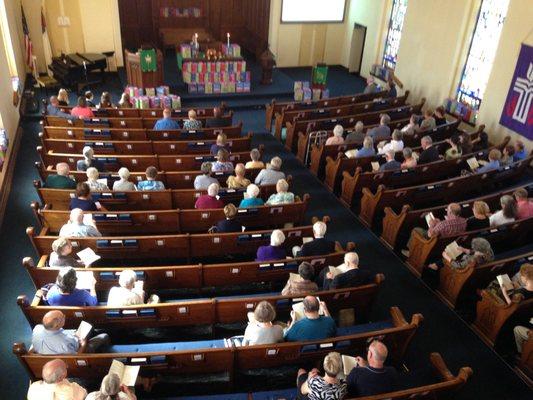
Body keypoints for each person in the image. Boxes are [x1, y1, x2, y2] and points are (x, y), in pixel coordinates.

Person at [424, 238, 494, 288]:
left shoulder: (472, 260)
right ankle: (435, 265)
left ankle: (433, 269)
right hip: (468, 270)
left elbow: (458, 266)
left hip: (459, 272)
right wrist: (464, 250)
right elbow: (474, 252)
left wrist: (447, 257)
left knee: (445, 259)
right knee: (451, 257)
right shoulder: (487, 255)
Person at [402, 203, 466, 257]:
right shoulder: (464, 221)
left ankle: (410, 252)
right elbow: (451, 227)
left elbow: (430, 235)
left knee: (416, 230)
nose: (447, 211)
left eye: (447, 209)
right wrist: (438, 223)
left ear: (450, 212)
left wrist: (432, 224)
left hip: (434, 243)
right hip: (447, 244)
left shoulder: (443, 224)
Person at [32, 310, 109, 354]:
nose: (65, 316)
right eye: (63, 317)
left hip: (73, 338)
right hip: (78, 348)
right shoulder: (62, 344)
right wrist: (83, 344)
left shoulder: (37, 328)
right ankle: (103, 353)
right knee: (104, 336)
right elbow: (75, 357)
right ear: (56, 326)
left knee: (89, 326)